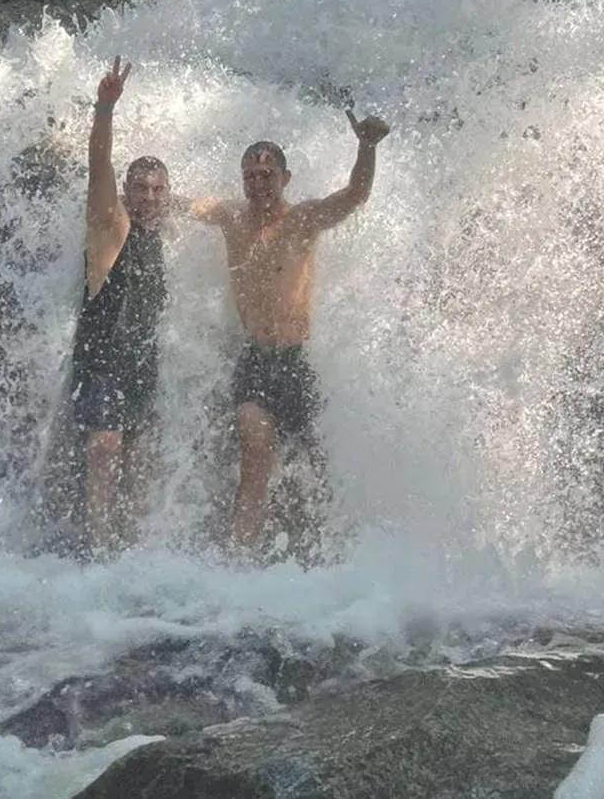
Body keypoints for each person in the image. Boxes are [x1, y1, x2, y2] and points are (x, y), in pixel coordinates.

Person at [185, 110, 390, 554]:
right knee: (254, 450)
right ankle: (240, 560)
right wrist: (144, 198)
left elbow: (355, 194)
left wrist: (367, 148)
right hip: (255, 361)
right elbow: (185, 204)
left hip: (296, 364)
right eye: (250, 175)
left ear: (285, 177)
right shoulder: (231, 218)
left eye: (267, 174)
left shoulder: (303, 220)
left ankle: (325, 561)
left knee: (316, 471)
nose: (258, 183)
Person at [70, 57, 171, 556]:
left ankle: (132, 551)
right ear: (127, 193)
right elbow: (98, 166)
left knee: (140, 456)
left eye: (157, 190)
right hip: (101, 358)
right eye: (141, 189)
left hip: (140, 361)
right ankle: (99, 547)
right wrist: (105, 110)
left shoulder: (163, 232)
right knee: (103, 447)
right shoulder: (112, 224)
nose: (149, 197)